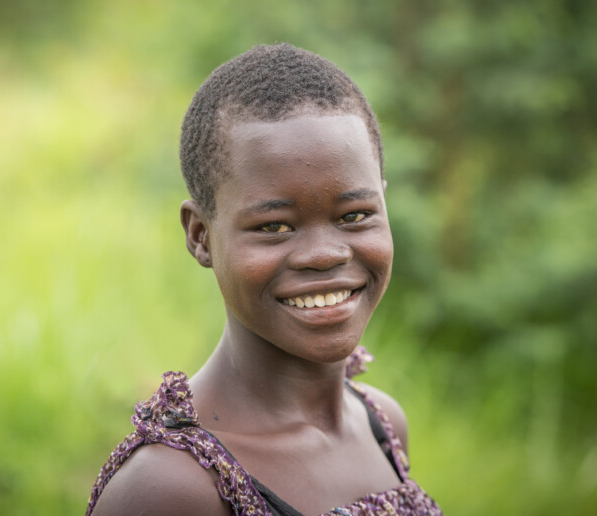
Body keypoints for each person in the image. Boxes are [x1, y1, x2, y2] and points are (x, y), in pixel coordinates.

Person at [86, 43, 443, 516]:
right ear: (200, 236)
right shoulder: (168, 489)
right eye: (273, 226)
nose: (324, 255)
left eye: (355, 215)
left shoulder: (383, 424)